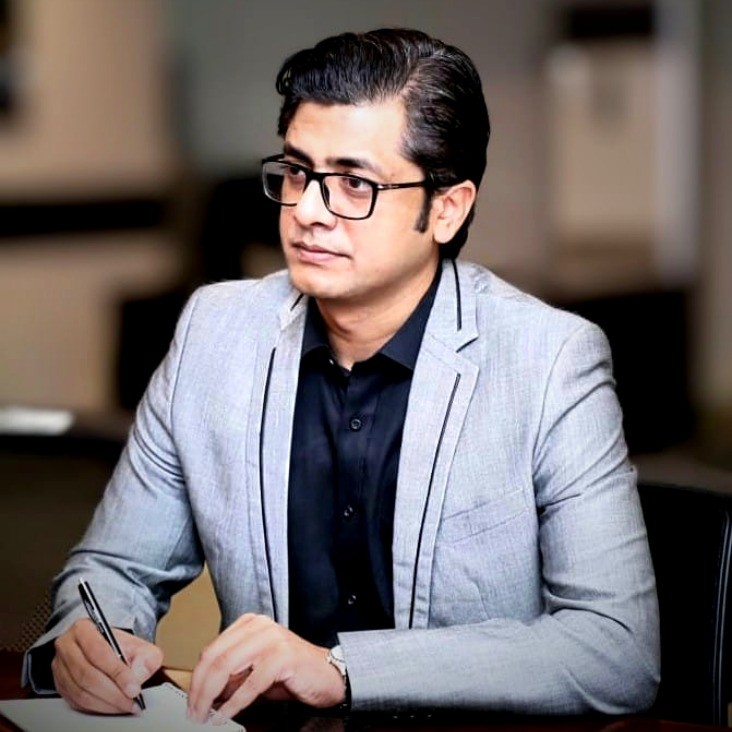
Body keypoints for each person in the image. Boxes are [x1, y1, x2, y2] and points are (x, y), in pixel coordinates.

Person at [23, 28, 659, 722]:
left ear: (447, 208)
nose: (307, 211)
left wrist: (345, 670)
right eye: (298, 173)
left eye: (355, 183)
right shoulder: (215, 334)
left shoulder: (548, 362)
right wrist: (90, 639)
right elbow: (113, 568)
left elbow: (616, 650)